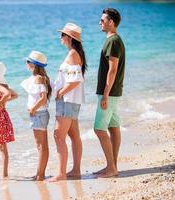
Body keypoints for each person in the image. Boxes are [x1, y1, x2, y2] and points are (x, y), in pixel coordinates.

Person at [50, 23, 87, 181]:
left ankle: (61, 173)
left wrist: (60, 93)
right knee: (73, 135)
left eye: (62, 35)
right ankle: (76, 171)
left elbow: (75, 80)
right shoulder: (75, 53)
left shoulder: (72, 54)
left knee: (58, 136)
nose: (60, 37)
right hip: (72, 101)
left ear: (69, 38)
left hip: (67, 101)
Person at [93, 8, 125, 178]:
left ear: (111, 22)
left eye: (103, 20)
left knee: (99, 129)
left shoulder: (113, 41)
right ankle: (112, 166)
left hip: (109, 93)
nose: (100, 22)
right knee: (113, 127)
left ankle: (111, 167)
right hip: (115, 92)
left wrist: (105, 94)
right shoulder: (115, 40)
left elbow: (112, 70)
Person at [20, 51, 52, 181]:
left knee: (41, 146)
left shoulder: (38, 78)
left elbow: (43, 99)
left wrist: (33, 109)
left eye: (28, 62)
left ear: (32, 64)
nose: (26, 64)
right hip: (39, 114)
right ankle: (40, 173)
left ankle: (40, 174)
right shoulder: (39, 78)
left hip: (38, 114)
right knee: (42, 145)